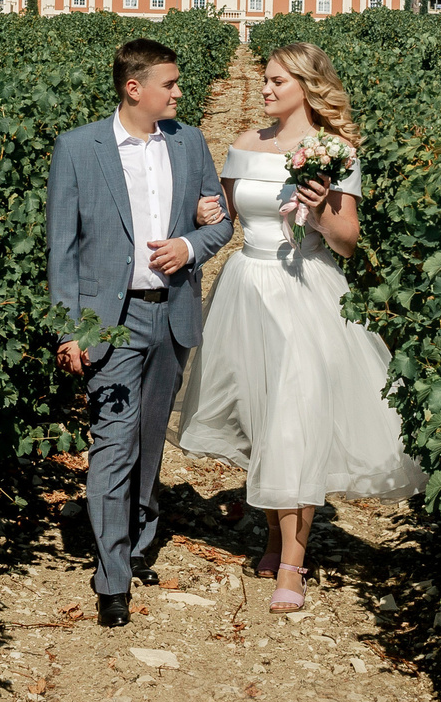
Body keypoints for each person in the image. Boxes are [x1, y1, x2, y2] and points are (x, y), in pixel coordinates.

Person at [173, 42, 421, 612]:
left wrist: (322, 206)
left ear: (307, 87)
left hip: (306, 287)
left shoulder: (337, 153)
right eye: (263, 81)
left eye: (277, 81)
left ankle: (292, 565)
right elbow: (224, 218)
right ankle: (272, 534)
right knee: (265, 418)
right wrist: (204, 216)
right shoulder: (242, 146)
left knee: (294, 419)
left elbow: (348, 242)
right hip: (247, 285)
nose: (265, 89)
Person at [47, 39, 234, 627]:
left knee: (150, 441)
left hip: (171, 313)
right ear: (135, 88)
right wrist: (70, 329)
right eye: (171, 84)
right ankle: (113, 579)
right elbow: (62, 250)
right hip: (111, 322)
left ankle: (137, 536)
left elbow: (220, 221)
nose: (179, 93)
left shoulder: (190, 142)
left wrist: (190, 245)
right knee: (112, 444)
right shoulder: (79, 149)